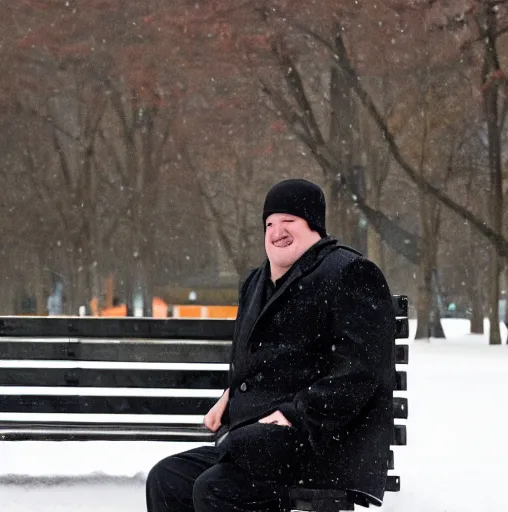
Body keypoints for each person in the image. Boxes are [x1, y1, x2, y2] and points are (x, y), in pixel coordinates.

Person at [146, 178, 396, 512]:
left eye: (289, 221)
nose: (277, 231)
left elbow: (361, 372)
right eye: (269, 223)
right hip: (256, 442)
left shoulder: (348, 272)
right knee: (168, 478)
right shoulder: (255, 282)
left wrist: (295, 414)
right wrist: (229, 395)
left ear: (314, 227)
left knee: (216, 488)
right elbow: (251, 358)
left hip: (316, 443)